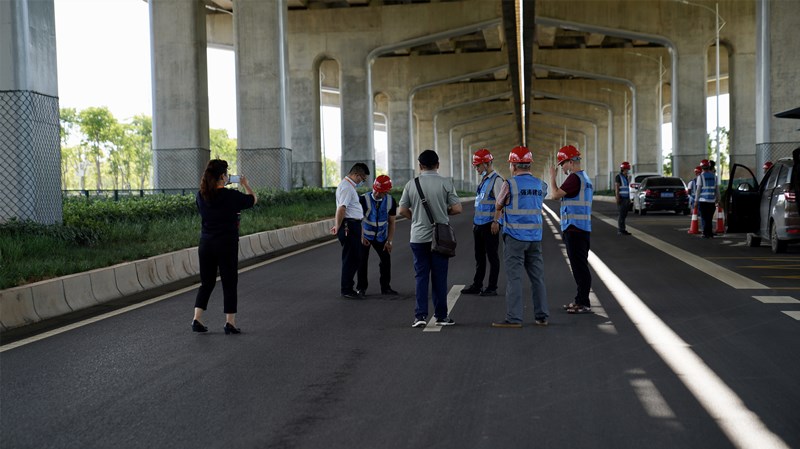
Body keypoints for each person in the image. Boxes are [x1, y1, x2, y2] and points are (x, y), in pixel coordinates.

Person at [192, 159, 257, 334]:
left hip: (205, 244)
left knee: (207, 282)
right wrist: (245, 184)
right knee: (229, 282)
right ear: (222, 177)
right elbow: (253, 200)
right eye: (226, 174)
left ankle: (197, 318)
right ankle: (230, 323)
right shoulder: (231, 196)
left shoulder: (200, 195)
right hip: (226, 244)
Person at [398, 149, 462, 328]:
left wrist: (417, 219)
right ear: (438, 165)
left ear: (420, 166)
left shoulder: (412, 184)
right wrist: (443, 213)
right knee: (440, 278)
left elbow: (402, 210)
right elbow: (457, 209)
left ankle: (420, 316)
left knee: (421, 277)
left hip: (418, 238)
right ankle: (441, 316)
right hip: (440, 238)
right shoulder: (445, 183)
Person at [490, 146, 549, 328]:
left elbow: (499, 205)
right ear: (530, 164)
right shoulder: (540, 184)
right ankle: (542, 317)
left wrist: (495, 221)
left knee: (515, 278)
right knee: (537, 278)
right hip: (535, 238)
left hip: (515, 237)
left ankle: (514, 318)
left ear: (514, 165)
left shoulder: (510, 184)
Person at [548, 145, 593, 314]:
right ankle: (580, 300)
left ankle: (583, 303)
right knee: (579, 266)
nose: (562, 168)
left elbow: (554, 195)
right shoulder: (585, 179)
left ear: (570, 161)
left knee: (579, 267)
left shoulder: (574, 178)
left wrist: (552, 178)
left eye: (563, 164)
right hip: (581, 228)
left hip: (575, 229)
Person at [461, 148, 504, 297]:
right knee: (479, 257)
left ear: (486, 164)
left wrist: (496, 221)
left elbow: (501, 203)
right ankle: (477, 285)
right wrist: (475, 223)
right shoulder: (484, 181)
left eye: (478, 166)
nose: (476, 169)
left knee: (492, 256)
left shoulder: (497, 180)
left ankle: (492, 287)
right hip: (479, 225)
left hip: (490, 225)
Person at [331, 162, 371, 299]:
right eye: (362, 178)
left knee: (356, 257)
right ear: (356, 174)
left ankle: (348, 287)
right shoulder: (347, 188)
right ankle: (347, 289)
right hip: (349, 226)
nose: (362, 181)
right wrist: (338, 226)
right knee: (351, 258)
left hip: (354, 226)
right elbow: (341, 208)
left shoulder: (349, 187)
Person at [356, 174, 398, 296]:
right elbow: (358, 220)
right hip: (366, 235)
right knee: (362, 261)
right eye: (376, 190)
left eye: (381, 192)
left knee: (385, 261)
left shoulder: (391, 201)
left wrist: (389, 241)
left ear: (387, 191)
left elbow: (392, 223)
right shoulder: (363, 200)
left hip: (381, 236)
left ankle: (385, 288)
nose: (377, 194)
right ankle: (361, 288)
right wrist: (362, 236)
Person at [694, 159, 720, 239]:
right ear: (709, 167)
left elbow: (698, 190)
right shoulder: (714, 177)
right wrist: (718, 199)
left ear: (702, 167)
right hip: (712, 201)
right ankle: (710, 233)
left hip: (703, 201)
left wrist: (696, 201)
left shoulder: (700, 177)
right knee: (709, 218)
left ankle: (706, 233)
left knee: (704, 218)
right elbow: (717, 189)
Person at [614, 161, 632, 235]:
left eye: (628, 169)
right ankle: (620, 230)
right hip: (621, 198)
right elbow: (617, 188)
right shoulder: (618, 177)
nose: (627, 171)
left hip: (626, 198)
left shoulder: (626, 177)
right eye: (626, 169)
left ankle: (623, 229)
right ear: (623, 169)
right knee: (621, 214)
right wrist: (617, 197)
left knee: (624, 215)